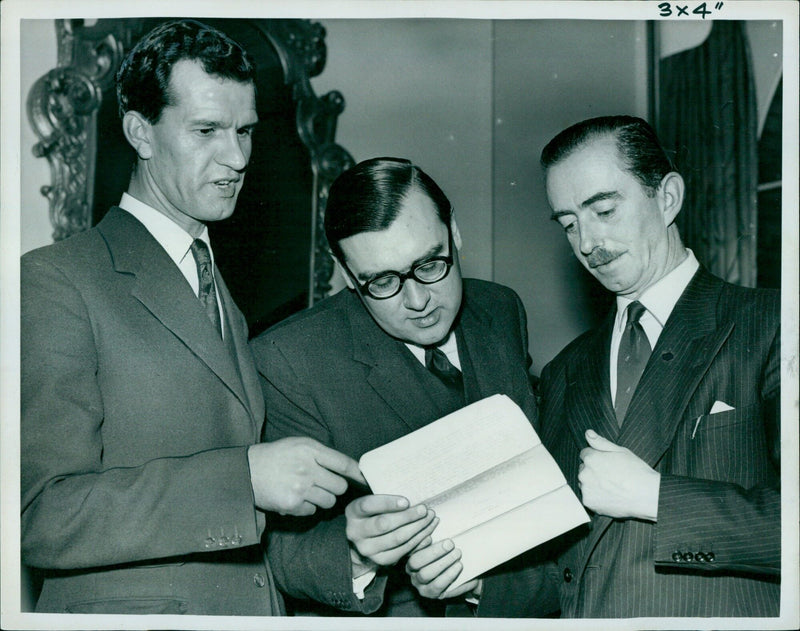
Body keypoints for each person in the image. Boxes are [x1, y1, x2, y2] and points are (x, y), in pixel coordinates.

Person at [21, 19, 362, 616]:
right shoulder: (58, 278)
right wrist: (243, 483)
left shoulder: (215, 280)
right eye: (206, 130)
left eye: (245, 131)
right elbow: (44, 514)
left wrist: (351, 550)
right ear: (140, 133)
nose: (236, 157)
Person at [250, 157, 553, 617]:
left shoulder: (500, 310)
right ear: (348, 275)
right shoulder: (288, 358)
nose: (418, 300)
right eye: (383, 281)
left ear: (454, 232)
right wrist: (356, 554)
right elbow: (275, 552)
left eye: (430, 264)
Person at [534, 115, 780, 617]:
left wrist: (659, 498)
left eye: (603, 209)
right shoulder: (563, 371)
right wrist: (474, 585)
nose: (587, 242)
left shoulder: (772, 323)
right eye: (568, 224)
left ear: (667, 198)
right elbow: (564, 562)